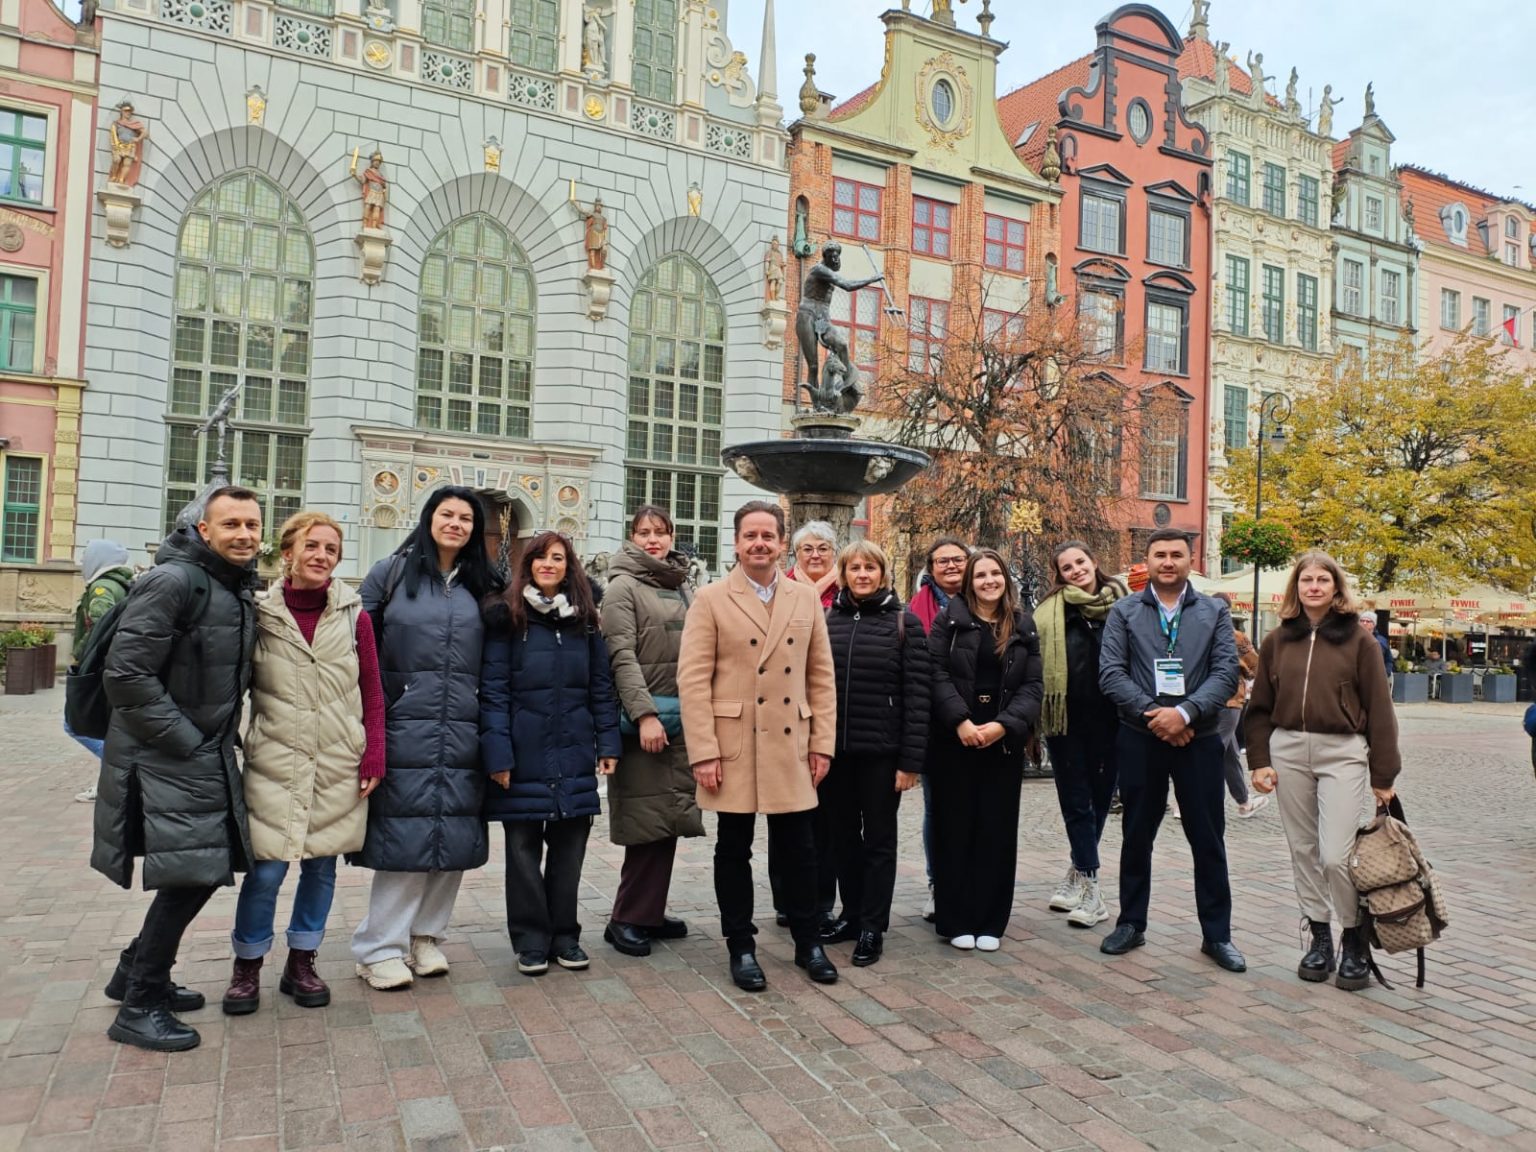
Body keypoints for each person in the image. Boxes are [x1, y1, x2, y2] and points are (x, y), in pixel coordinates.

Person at [92, 486, 261, 1051]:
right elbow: (127, 676)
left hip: (198, 752)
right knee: (194, 875)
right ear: (203, 530)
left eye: (252, 525)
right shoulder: (174, 581)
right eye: (231, 524)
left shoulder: (228, 585)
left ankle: (136, 973)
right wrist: (189, 741)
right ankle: (139, 1005)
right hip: (170, 754)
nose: (244, 534)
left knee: (198, 871)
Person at [223, 512, 385, 1015]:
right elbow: (233, 686)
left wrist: (375, 752)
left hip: (338, 760)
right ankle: (247, 965)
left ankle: (301, 962)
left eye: (331, 549)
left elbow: (372, 689)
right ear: (288, 553)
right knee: (267, 872)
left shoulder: (354, 615)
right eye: (311, 546)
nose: (321, 556)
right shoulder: (259, 614)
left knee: (321, 868)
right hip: (275, 760)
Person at [677, 500, 839, 991]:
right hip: (734, 744)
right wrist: (703, 751)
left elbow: (821, 677)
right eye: (751, 535)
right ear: (736, 543)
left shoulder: (804, 598)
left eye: (768, 535)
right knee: (733, 847)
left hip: (791, 741)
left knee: (801, 849)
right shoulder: (710, 599)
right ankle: (741, 946)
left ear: (782, 543)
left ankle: (808, 942)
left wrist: (822, 744)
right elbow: (693, 681)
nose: (760, 544)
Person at [351, 486, 501, 990]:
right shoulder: (390, 574)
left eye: (466, 518)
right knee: (404, 836)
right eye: (447, 514)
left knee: (453, 833)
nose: (456, 524)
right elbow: (359, 648)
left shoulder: (485, 584)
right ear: (429, 518)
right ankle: (379, 948)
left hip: (464, 725)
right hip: (404, 723)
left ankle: (426, 937)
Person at [1246, 552, 1400, 990]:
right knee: (1303, 849)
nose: (1313, 587)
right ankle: (1318, 936)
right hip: (1289, 748)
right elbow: (1259, 706)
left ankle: (1353, 939)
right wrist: (1259, 760)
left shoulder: (1359, 640)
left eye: (1322, 580)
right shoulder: (1278, 640)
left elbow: (1380, 708)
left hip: (1342, 750)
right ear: (1296, 587)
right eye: (1306, 580)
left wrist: (1383, 775)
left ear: (1336, 588)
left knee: (1336, 854)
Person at [1098, 530, 1244, 972]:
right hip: (1140, 737)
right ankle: (1131, 923)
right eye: (1159, 554)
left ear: (1190, 560)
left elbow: (1226, 672)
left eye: (1176, 554)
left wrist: (1184, 713)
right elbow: (1111, 673)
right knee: (1136, 834)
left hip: (1199, 738)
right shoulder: (1124, 611)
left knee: (1208, 837)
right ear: (1146, 561)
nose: (1167, 561)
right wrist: (1157, 716)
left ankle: (1217, 935)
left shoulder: (1214, 611)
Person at [481, 531, 620, 976]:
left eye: (557, 558)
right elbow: (494, 692)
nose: (548, 564)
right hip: (522, 753)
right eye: (540, 557)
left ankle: (565, 936)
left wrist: (608, 742)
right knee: (522, 852)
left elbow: (601, 687)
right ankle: (531, 940)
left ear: (568, 567)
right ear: (527, 564)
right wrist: (498, 755)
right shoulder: (508, 619)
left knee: (569, 851)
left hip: (574, 750)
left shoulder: (585, 621)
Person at [599, 506, 704, 958]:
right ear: (632, 537)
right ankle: (625, 919)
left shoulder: (679, 582)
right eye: (644, 532)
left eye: (660, 532)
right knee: (646, 820)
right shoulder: (622, 586)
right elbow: (620, 655)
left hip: (680, 720)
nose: (653, 540)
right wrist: (644, 715)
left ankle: (648, 911)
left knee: (667, 819)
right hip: (648, 723)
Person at [928, 548, 1043, 952]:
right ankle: (956, 918)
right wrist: (960, 720)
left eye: (995, 574)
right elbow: (935, 673)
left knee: (996, 829)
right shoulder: (949, 621)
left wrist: (1003, 725)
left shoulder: (1023, 624)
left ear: (1005, 580)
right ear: (969, 583)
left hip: (1002, 739)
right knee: (954, 828)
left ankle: (990, 920)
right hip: (955, 737)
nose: (988, 581)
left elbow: (1033, 685)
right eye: (980, 575)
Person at [821, 540, 930, 965]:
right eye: (855, 568)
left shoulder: (904, 623)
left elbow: (917, 698)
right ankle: (851, 914)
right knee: (842, 838)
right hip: (836, 752)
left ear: (883, 574)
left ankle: (872, 926)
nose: (862, 574)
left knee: (879, 840)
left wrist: (910, 762)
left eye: (870, 567)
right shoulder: (829, 620)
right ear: (843, 575)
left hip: (882, 753)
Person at [1035, 541, 1126, 928]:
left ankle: (1077, 871)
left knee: (1100, 800)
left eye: (1080, 562)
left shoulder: (1125, 606)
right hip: (1066, 721)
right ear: (1059, 575)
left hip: (1113, 719)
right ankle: (1092, 888)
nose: (1075, 570)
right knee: (1075, 801)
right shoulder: (1050, 612)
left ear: (1094, 562)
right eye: (1066, 567)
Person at [778, 520, 839, 928]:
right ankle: (786, 899)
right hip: (784, 715)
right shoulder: (778, 590)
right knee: (785, 813)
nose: (815, 555)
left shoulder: (848, 591)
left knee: (827, 817)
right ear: (795, 555)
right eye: (807, 549)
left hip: (829, 713)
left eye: (823, 548)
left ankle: (821, 901)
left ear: (834, 552)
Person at [908, 535, 970, 920]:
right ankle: (938, 883)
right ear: (930, 569)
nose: (951, 566)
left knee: (977, 807)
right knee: (937, 808)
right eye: (942, 561)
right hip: (935, 721)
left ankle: (971, 882)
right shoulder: (916, 609)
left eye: (958, 559)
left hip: (982, 720)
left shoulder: (987, 598)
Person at [67, 539, 135, 803]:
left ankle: (121, 770)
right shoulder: (120, 584)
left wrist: (81, 656)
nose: (83, 561)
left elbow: (101, 627)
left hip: (97, 670)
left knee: (75, 724)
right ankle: (111, 778)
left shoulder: (102, 588)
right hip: (110, 668)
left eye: (87, 556)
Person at [1211, 595, 1267, 820]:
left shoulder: (1199, 632)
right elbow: (1256, 665)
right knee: (1213, 751)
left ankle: (1244, 801)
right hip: (1230, 699)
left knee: (1229, 753)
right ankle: (1186, 802)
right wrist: (1245, 674)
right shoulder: (1235, 636)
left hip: (1204, 700)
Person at [1361, 614, 1393, 681]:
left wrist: (1385, 673)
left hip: (1376, 679)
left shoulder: (1382, 641)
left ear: (1374, 624)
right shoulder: (1353, 639)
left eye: (1368, 621)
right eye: (1362, 620)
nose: (1364, 623)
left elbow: (1388, 660)